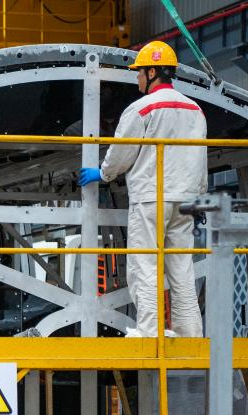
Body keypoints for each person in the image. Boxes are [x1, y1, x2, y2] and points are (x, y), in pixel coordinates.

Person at [79, 40, 207, 338]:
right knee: (182, 268)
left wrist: (103, 173)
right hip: (186, 199)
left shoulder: (141, 109)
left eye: (139, 72)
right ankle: (191, 335)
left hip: (151, 198)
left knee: (144, 265)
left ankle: (150, 333)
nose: (136, 77)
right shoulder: (195, 109)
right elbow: (199, 155)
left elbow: (122, 152)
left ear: (152, 73)